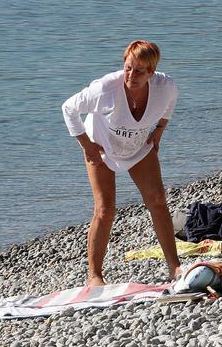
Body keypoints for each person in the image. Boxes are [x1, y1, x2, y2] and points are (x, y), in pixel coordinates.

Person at [61, 40, 180, 286]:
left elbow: (169, 106)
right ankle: (94, 276)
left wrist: (159, 130)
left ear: (151, 72)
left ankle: (174, 267)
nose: (131, 75)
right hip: (101, 150)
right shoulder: (104, 89)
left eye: (139, 71)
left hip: (138, 149)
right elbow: (69, 109)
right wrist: (86, 144)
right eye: (128, 68)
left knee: (157, 200)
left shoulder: (165, 86)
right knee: (105, 210)